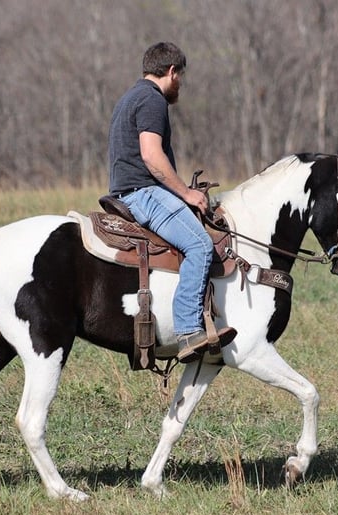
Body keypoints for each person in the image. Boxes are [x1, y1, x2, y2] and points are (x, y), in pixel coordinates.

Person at [107, 41, 236, 363]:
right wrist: (186, 192)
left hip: (130, 190)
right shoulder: (152, 100)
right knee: (200, 246)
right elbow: (152, 156)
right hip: (143, 193)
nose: (180, 84)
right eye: (181, 76)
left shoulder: (130, 96)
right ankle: (189, 332)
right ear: (172, 71)